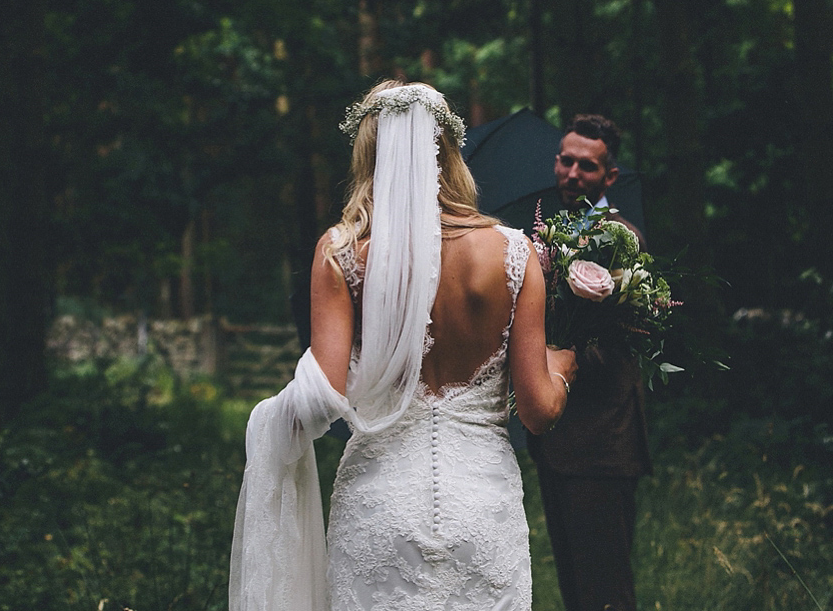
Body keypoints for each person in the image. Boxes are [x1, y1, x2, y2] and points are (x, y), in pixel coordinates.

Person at [229, 80, 577, 611]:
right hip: (480, 507)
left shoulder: (343, 253)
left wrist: (268, 424)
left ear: (370, 153)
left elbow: (322, 395)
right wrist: (564, 366)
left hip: (379, 508)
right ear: (449, 153)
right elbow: (537, 411)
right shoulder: (513, 252)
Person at [526, 114, 651, 611]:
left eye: (587, 165)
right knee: (577, 589)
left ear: (609, 176)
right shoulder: (550, 235)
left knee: (606, 591)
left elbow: (624, 340)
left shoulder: (623, 239)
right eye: (565, 160)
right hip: (556, 440)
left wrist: (558, 354)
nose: (573, 173)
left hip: (602, 440)